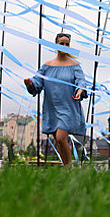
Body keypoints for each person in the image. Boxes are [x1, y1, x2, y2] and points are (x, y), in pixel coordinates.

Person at [24, 33, 87, 166]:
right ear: (55, 45)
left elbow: (81, 81)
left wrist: (80, 90)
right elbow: (37, 82)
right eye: (61, 43)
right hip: (52, 108)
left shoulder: (74, 65)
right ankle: (67, 167)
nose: (64, 46)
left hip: (68, 108)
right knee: (59, 141)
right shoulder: (47, 66)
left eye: (67, 44)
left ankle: (69, 168)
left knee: (60, 137)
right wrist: (30, 83)